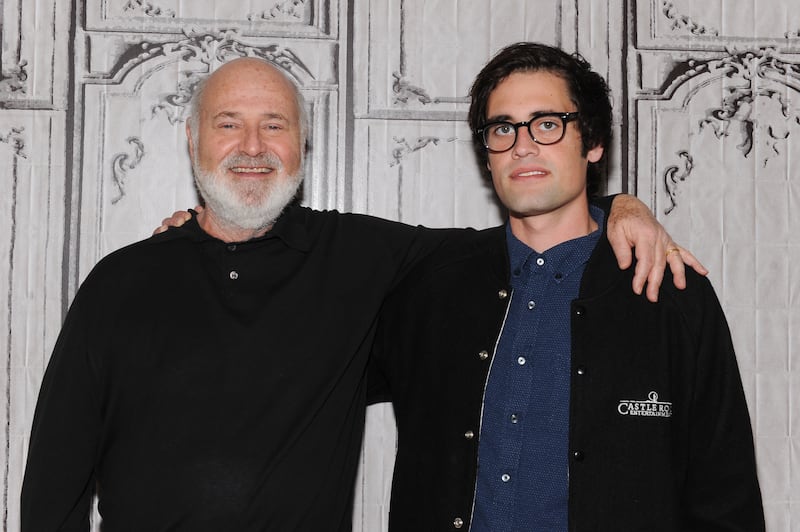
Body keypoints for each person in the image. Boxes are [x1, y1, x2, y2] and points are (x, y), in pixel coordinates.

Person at [21, 56, 699, 531]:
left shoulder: (360, 258)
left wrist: (621, 207)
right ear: (194, 139)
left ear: (304, 145)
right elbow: (53, 485)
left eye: (276, 125)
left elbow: (534, 223)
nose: (252, 146)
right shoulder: (122, 282)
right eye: (228, 123)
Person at [369, 42, 764, 531]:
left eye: (548, 123)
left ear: (593, 143)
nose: (522, 144)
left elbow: (725, 490)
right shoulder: (431, 287)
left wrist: (622, 204)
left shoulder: (669, 289)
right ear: (487, 153)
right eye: (503, 128)